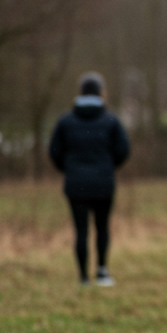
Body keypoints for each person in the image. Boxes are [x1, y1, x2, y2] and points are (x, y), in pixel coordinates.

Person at [48, 72, 131, 287]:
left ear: (80, 92)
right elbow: (123, 149)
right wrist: (108, 167)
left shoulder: (66, 121)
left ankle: (83, 277)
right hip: (103, 183)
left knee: (81, 231)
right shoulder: (111, 120)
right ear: (102, 92)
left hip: (76, 184)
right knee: (102, 227)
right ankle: (102, 272)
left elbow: (54, 151)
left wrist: (69, 169)